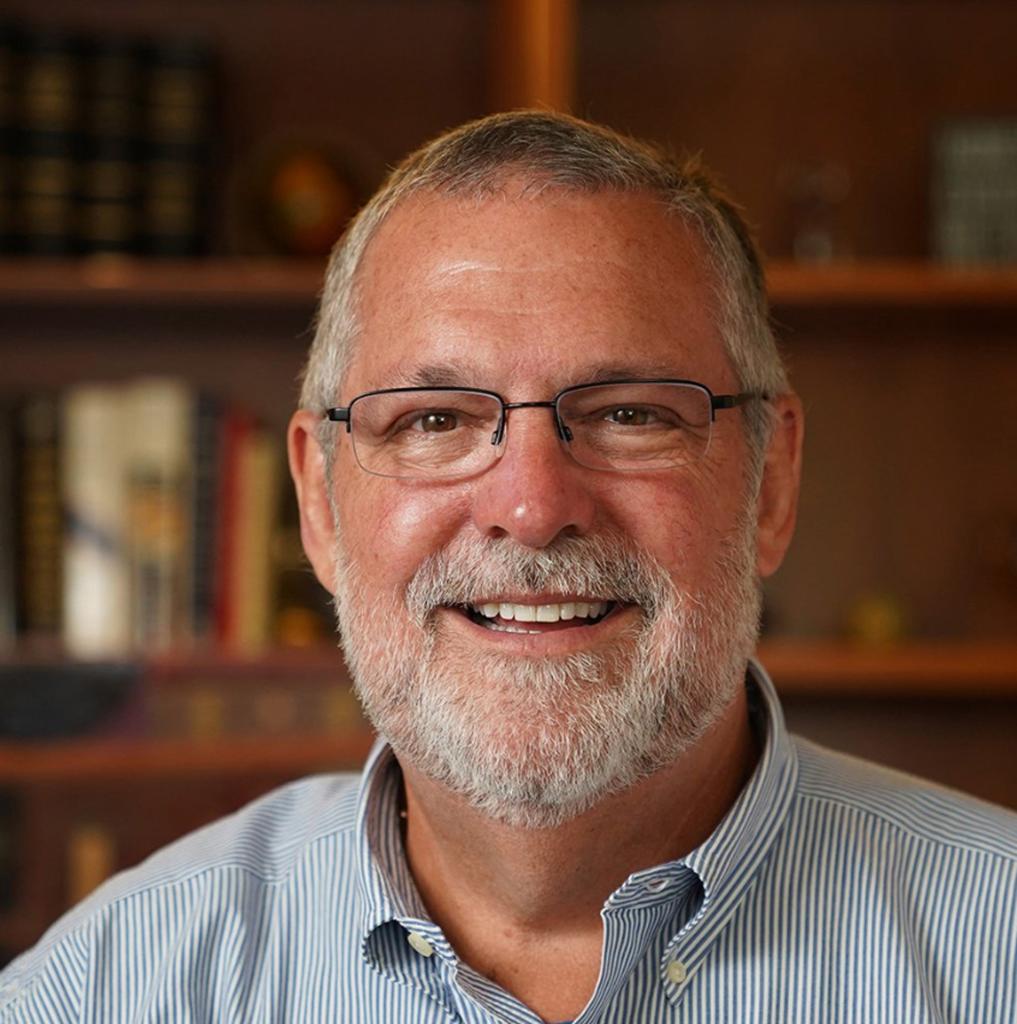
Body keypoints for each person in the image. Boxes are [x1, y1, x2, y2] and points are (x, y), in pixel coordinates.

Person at [1, 111, 1015, 1024]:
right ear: (317, 501)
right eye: (434, 420)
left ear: (773, 483)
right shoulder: (109, 987)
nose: (532, 508)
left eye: (630, 413)